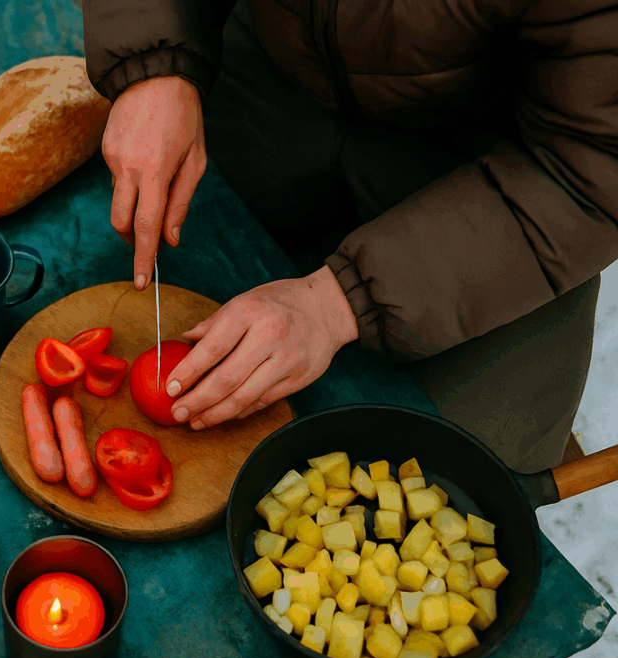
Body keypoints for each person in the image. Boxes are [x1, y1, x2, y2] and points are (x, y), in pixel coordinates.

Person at [81, 0, 618, 473]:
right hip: (276, 65)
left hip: (507, 171)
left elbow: (593, 166)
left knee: (465, 475)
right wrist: (154, 64)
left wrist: (337, 305)